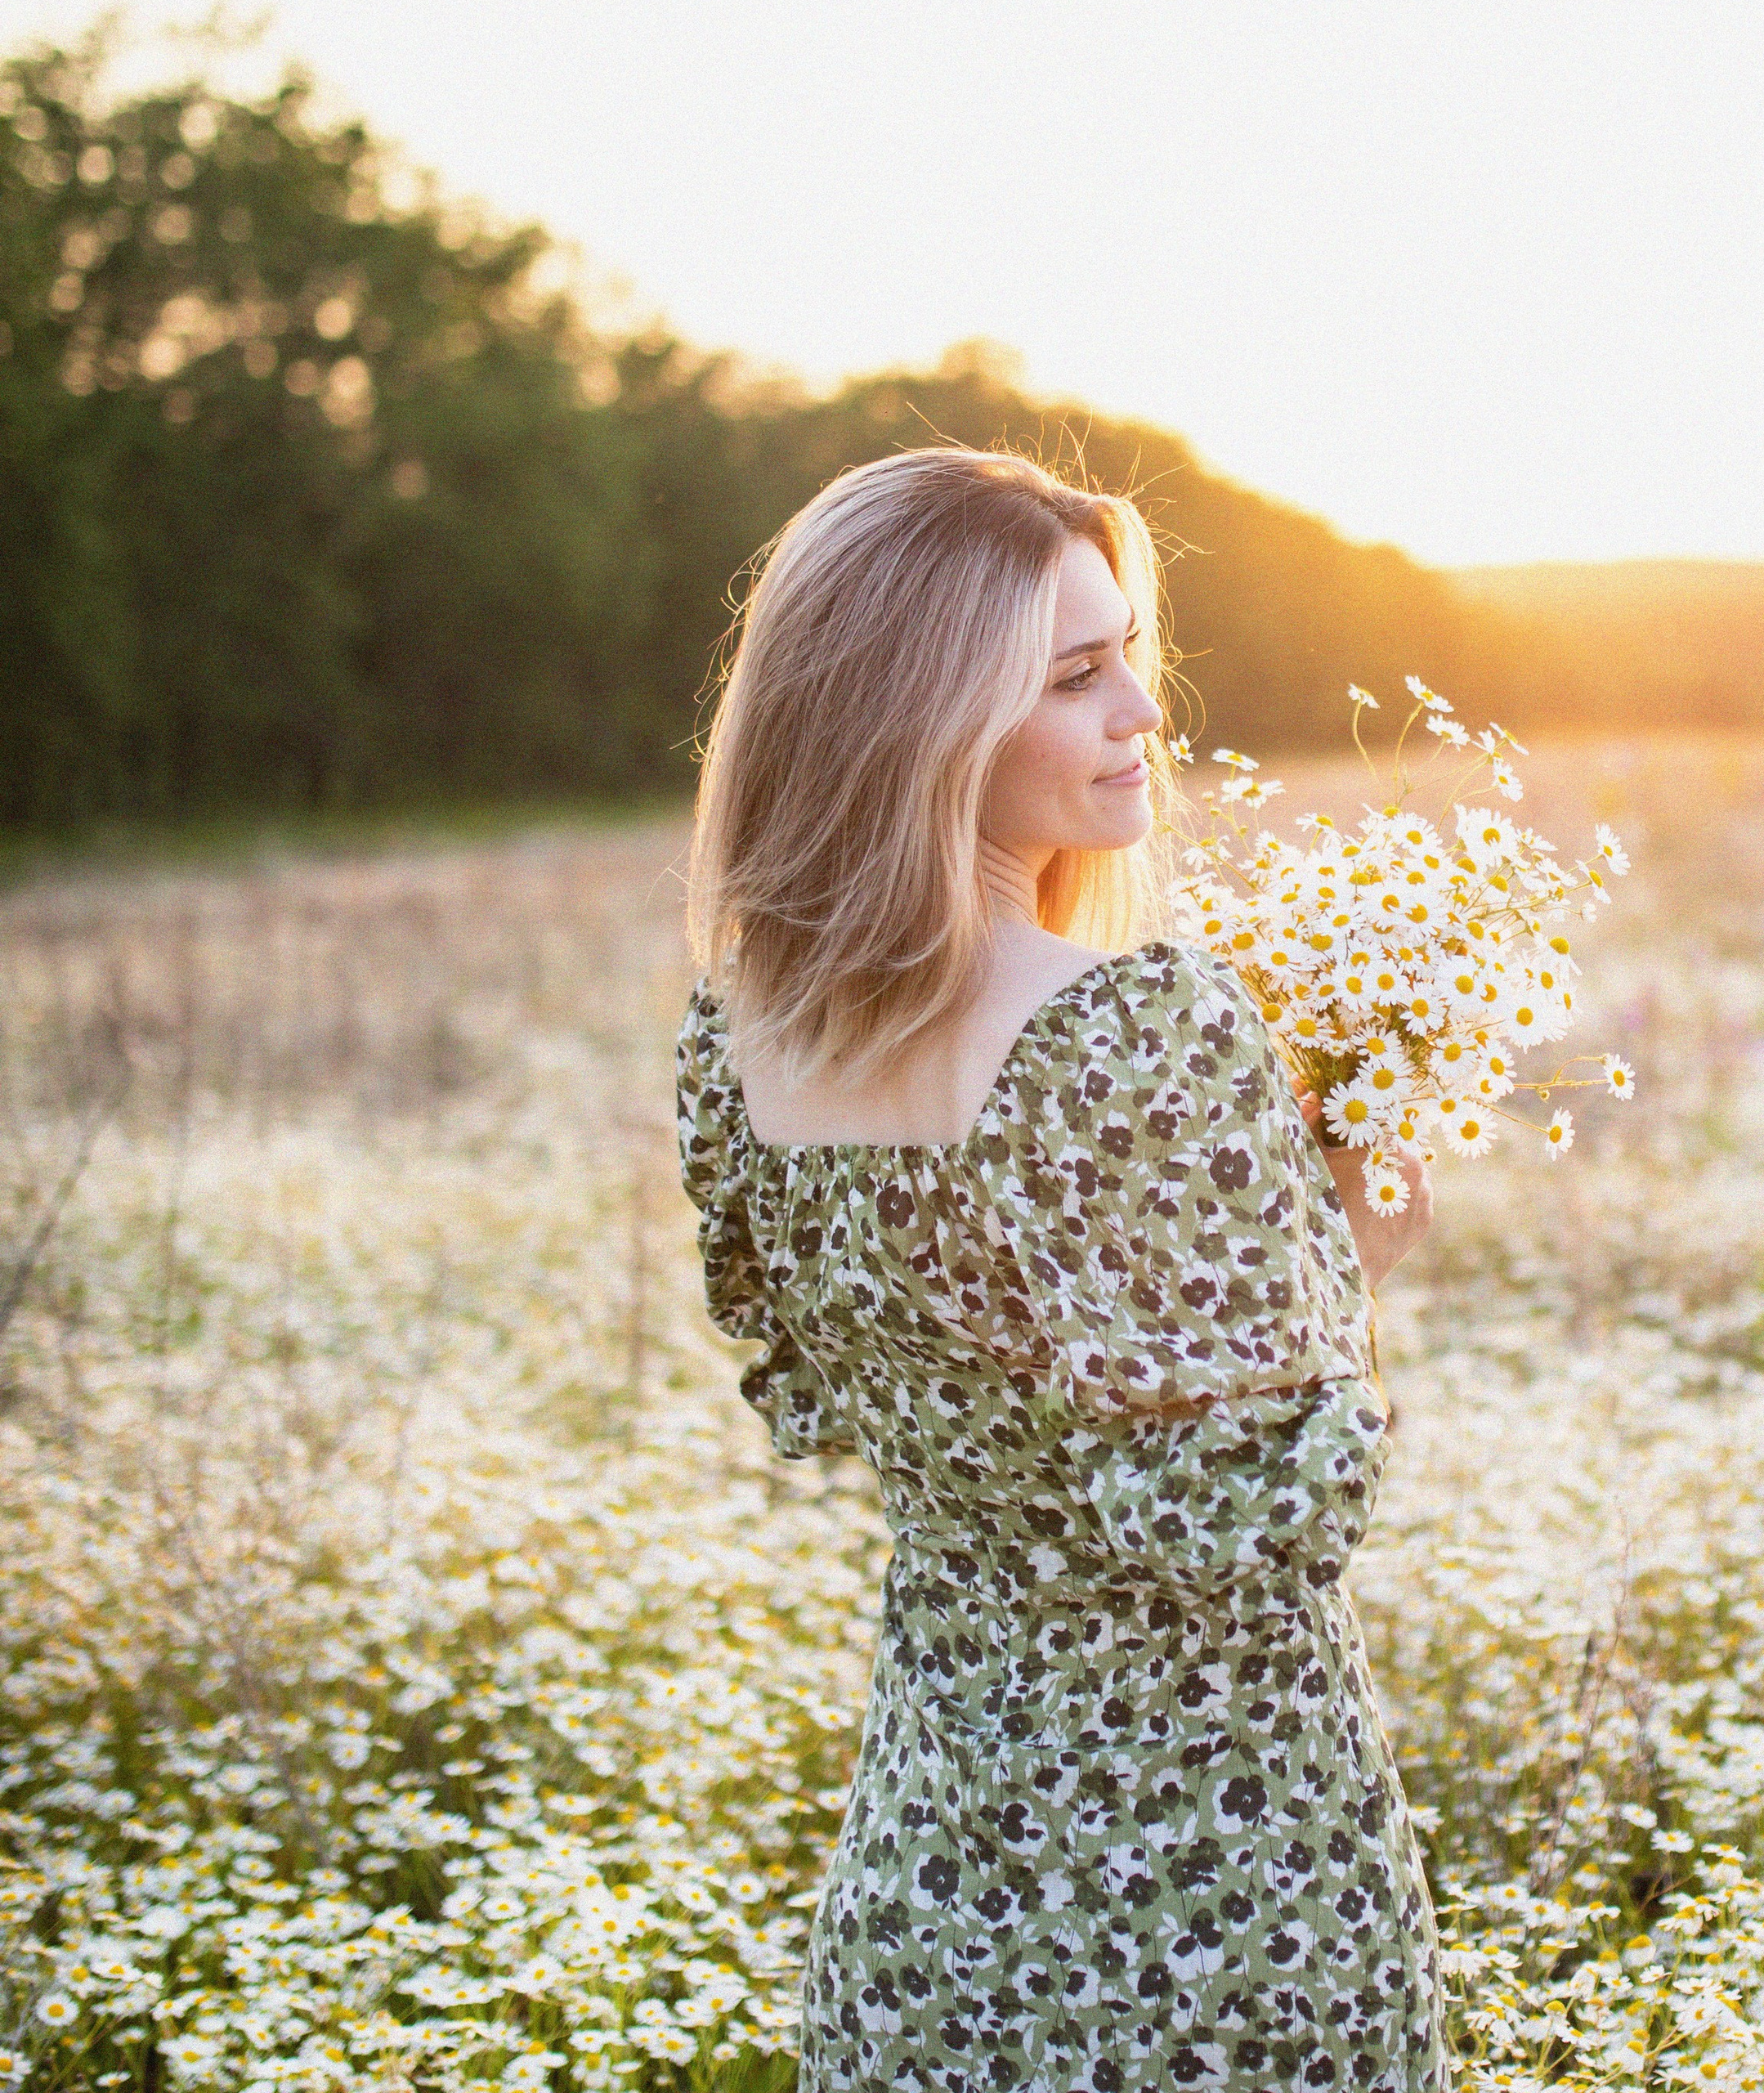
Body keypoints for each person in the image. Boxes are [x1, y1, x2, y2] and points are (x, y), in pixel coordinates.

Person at [676, 445, 1445, 2092]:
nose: (1140, 717)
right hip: (1215, 1887)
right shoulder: (1128, 1023)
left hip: (927, 1887)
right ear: (919, 716)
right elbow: (1268, 1510)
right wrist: (1340, 1262)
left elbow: (836, 1400)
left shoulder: (736, 1037)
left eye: (1131, 662)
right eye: (1076, 677)